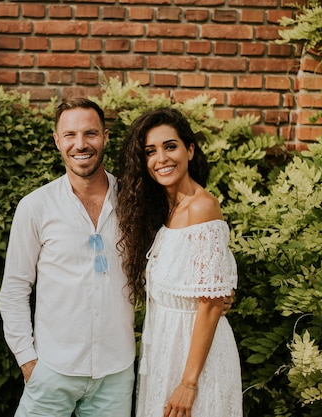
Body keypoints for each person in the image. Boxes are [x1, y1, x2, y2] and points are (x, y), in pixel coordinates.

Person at [0, 98, 136, 417]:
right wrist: (28, 360)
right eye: (70, 135)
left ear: (105, 137)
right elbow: (15, 289)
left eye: (90, 133)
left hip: (115, 372)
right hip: (52, 369)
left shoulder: (133, 200)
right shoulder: (35, 207)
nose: (80, 144)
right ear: (57, 140)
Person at [116, 107, 242, 417]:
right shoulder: (164, 212)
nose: (162, 158)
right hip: (164, 350)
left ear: (190, 149)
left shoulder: (203, 207)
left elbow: (211, 303)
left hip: (196, 361)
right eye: (150, 151)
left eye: (170, 146)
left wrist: (188, 383)